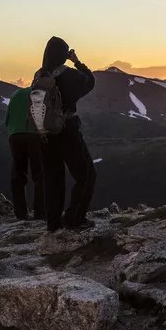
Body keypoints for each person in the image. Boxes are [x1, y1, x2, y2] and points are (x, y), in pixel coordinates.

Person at [37, 36, 97, 231]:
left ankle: (53, 223)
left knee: (53, 178)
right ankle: (74, 218)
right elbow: (90, 82)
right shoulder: (67, 74)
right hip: (67, 130)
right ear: (64, 54)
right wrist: (77, 62)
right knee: (86, 174)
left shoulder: (40, 76)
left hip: (45, 134)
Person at [4, 85, 44, 220]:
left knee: (18, 175)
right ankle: (40, 213)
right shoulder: (42, 94)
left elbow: (7, 120)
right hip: (34, 136)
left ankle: (21, 214)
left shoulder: (17, 93)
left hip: (15, 135)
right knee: (39, 175)